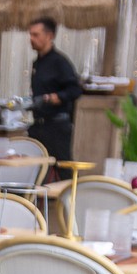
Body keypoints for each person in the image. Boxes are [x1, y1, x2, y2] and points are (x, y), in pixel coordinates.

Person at [25, 16, 83, 172]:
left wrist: (54, 98)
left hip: (57, 126)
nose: (31, 38)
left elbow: (75, 90)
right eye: (30, 34)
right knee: (35, 170)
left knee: (62, 168)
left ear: (49, 36)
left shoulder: (60, 62)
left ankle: (69, 196)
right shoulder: (37, 63)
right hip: (38, 125)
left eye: (36, 34)